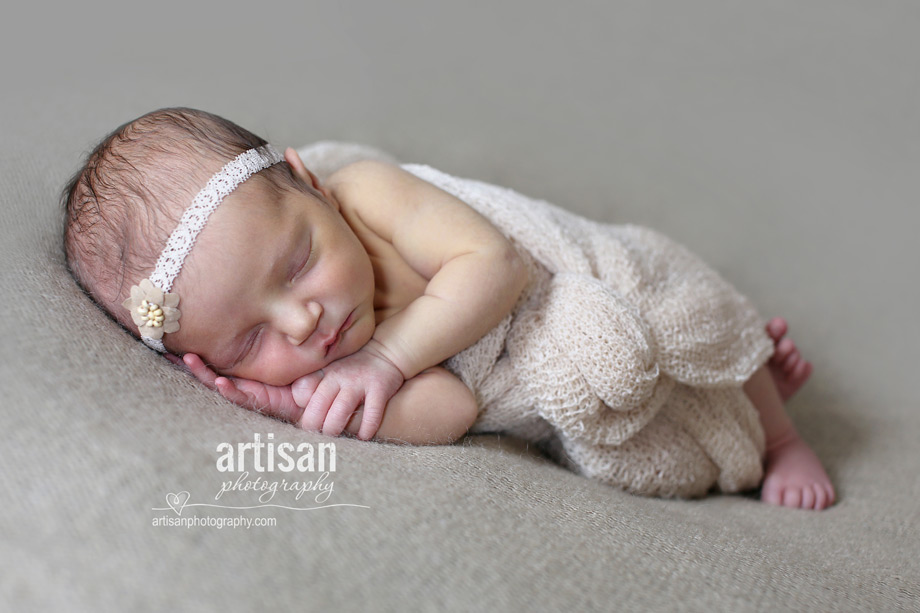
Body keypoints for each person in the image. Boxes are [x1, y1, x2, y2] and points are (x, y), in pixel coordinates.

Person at [62, 107, 835, 510]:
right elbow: (454, 407)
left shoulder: (367, 189)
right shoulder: (326, 363)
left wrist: (388, 357)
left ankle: (780, 430)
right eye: (250, 338)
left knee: (690, 313)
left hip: (577, 280)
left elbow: (493, 261)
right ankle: (736, 414)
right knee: (662, 436)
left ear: (310, 183)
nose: (303, 322)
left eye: (297, 262)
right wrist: (299, 402)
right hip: (542, 374)